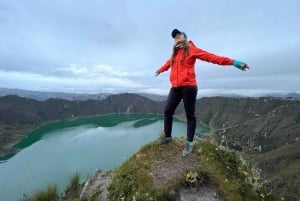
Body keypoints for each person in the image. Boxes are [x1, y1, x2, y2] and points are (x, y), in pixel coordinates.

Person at [155, 28, 249, 157]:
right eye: (175, 37)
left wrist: (233, 62)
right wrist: (160, 70)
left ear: (185, 37)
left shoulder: (192, 49)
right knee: (167, 111)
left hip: (189, 87)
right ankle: (167, 137)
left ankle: (189, 144)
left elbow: (212, 57)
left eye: (179, 36)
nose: (177, 38)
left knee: (190, 116)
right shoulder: (175, 53)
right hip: (175, 87)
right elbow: (168, 63)